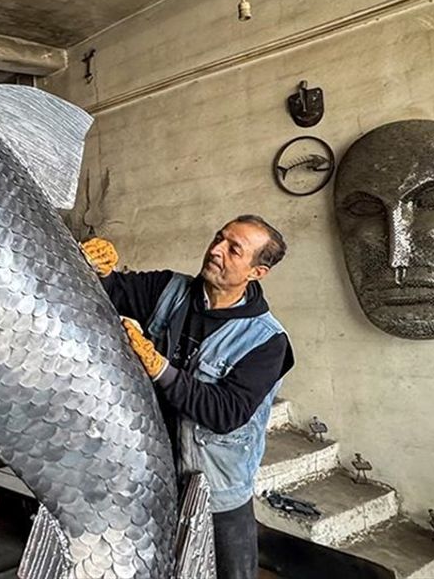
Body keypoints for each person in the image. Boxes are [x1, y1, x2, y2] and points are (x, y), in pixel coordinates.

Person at [82, 215, 294, 579]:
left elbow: (225, 413)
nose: (216, 250)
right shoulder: (169, 289)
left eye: (233, 249)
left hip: (216, 490)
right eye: (218, 238)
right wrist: (96, 269)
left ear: (257, 272)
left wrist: (159, 368)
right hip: (151, 470)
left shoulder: (266, 341)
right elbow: (113, 292)